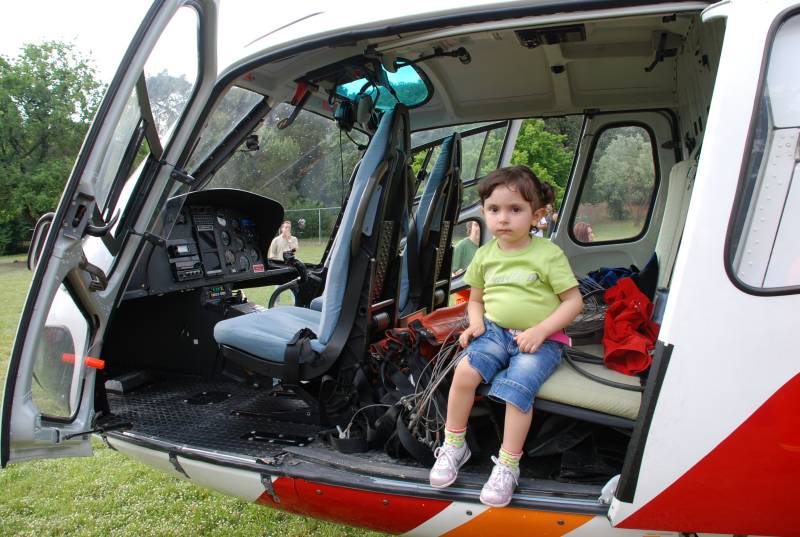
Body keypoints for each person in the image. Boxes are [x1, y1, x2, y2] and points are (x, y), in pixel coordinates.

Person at [428, 165, 583, 507]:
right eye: (494, 210)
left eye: (515, 210)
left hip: (541, 339)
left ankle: (508, 465)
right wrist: (474, 323)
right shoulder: (484, 255)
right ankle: (455, 444)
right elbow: (476, 299)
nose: (503, 218)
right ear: (483, 213)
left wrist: (542, 330)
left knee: (517, 388)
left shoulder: (548, 255)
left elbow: (574, 302)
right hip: (495, 332)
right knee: (465, 372)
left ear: (537, 215)